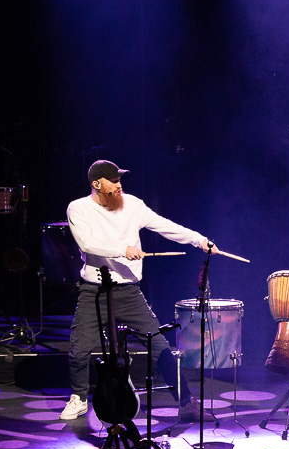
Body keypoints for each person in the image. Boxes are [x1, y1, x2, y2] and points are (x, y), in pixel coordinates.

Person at [61, 160, 216, 422]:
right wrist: (122, 249)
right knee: (79, 348)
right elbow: (87, 244)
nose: (119, 184)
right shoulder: (78, 208)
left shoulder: (132, 204)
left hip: (129, 293)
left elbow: (164, 225)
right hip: (94, 291)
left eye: (120, 179)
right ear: (96, 184)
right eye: (113, 180)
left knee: (159, 346)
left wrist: (198, 240)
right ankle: (78, 398)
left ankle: (186, 402)